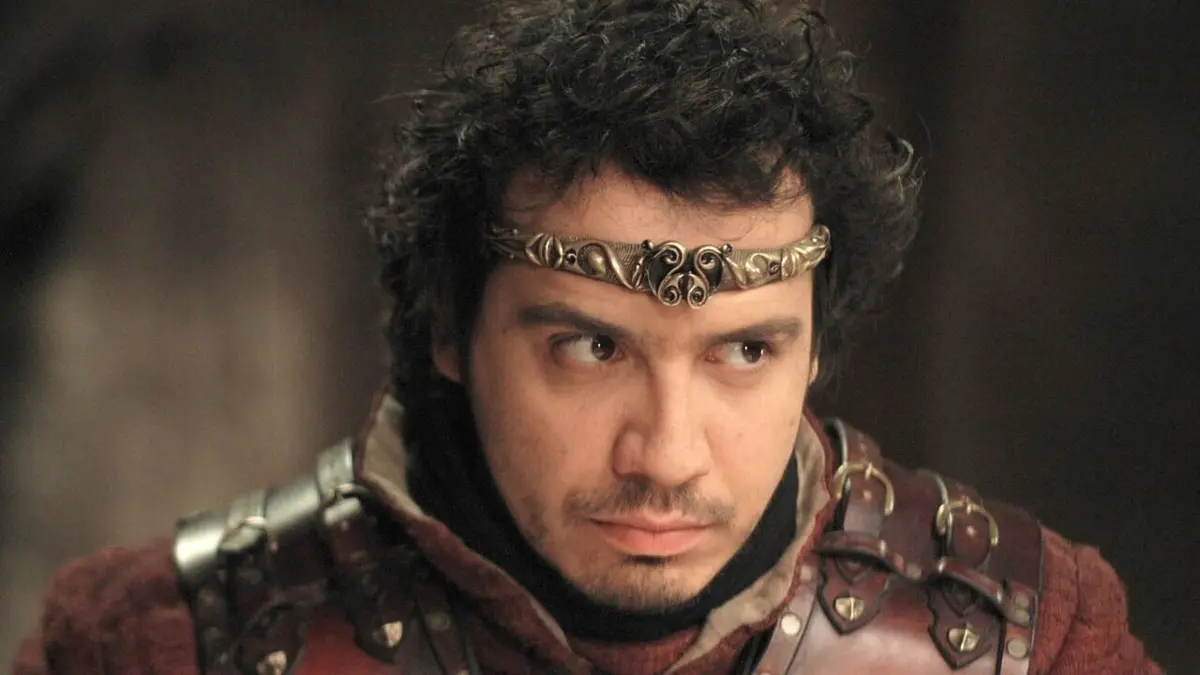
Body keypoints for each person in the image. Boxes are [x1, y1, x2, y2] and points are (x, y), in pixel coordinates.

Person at [12, 1, 1159, 674]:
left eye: (744, 352)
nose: (666, 456)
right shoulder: (162, 645)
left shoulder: (1027, 641)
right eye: (592, 349)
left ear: (815, 347)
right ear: (450, 326)